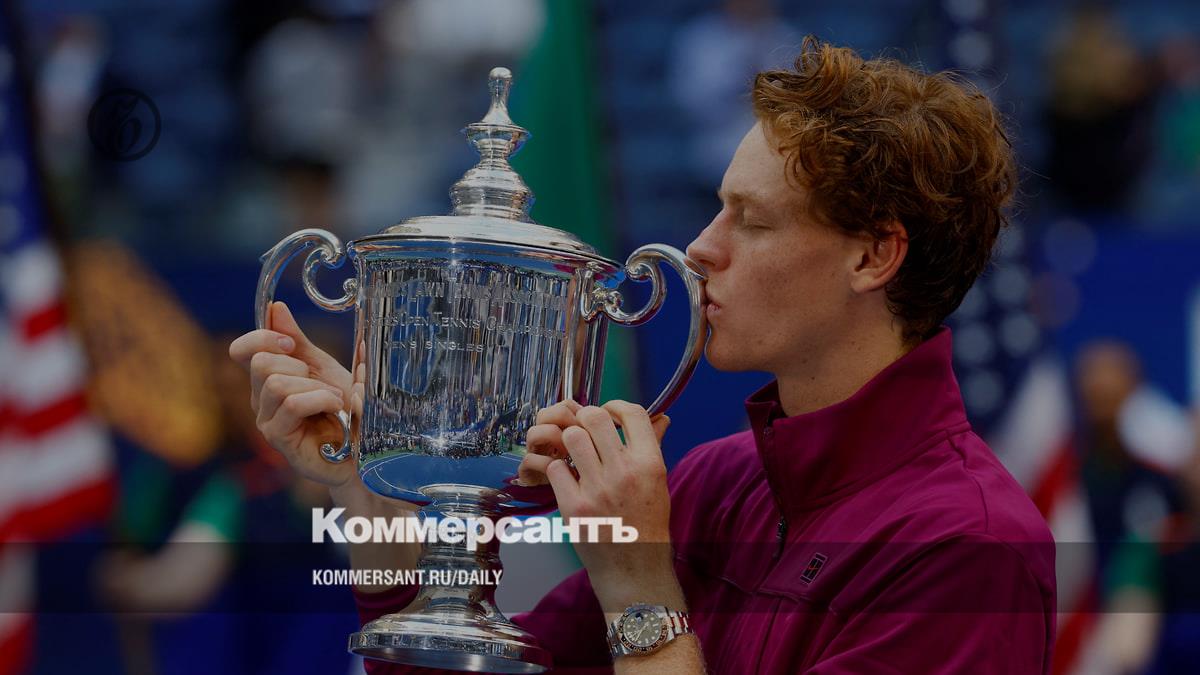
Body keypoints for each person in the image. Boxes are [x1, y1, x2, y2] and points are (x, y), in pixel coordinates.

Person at [230, 37, 1056, 674]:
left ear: (873, 256)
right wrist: (370, 489)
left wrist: (639, 591)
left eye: (752, 220)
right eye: (717, 209)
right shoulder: (713, 483)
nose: (701, 248)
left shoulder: (969, 548)